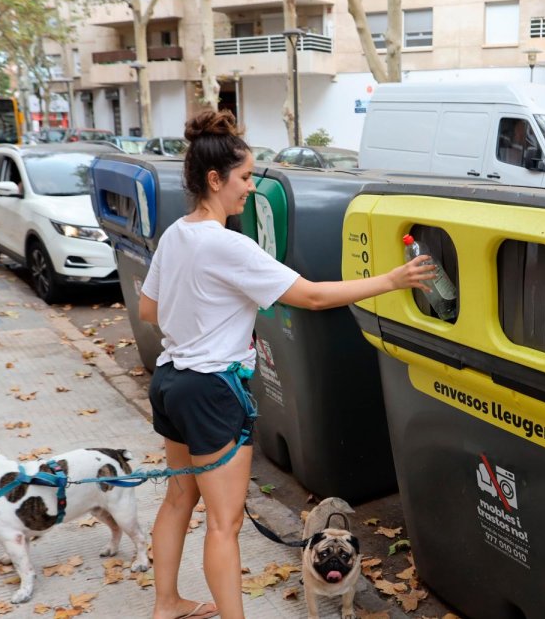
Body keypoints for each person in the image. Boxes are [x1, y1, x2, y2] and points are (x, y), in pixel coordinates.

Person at [139, 109, 435, 619]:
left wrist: (200, 314)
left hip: (171, 382)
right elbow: (315, 296)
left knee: (178, 500)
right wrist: (391, 280)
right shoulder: (230, 246)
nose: (250, 189)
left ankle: (166, 603)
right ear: (215, 180)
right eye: (245, 177)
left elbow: (148, 310)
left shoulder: (176, 235)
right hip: (211, 392)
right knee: (224, 524)